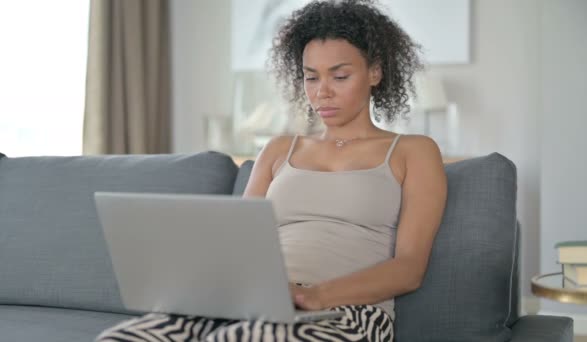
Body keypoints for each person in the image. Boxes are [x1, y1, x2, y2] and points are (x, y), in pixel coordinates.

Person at [96, 0, 447, 341]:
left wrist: (317, 296)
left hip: (348, 310)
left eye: (339, 76)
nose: (322, 92)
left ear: (375, 71)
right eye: (311, 77)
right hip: (252, 302)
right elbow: (239, 242)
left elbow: (410, 267)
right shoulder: (279, 150)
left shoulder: (413, 152)